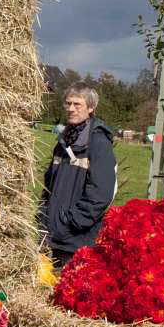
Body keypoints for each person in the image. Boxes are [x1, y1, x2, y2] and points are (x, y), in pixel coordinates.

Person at [40, 85, 116, 270]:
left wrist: (72, 222)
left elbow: (101, 193)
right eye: (68, 103)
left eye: (77, 104)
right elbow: (49, 186)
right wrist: (42, 216)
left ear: (91, 108)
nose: (71, 109)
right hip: (54, 238)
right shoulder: (64, 142)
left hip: (77, 241)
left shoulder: (98, 143)